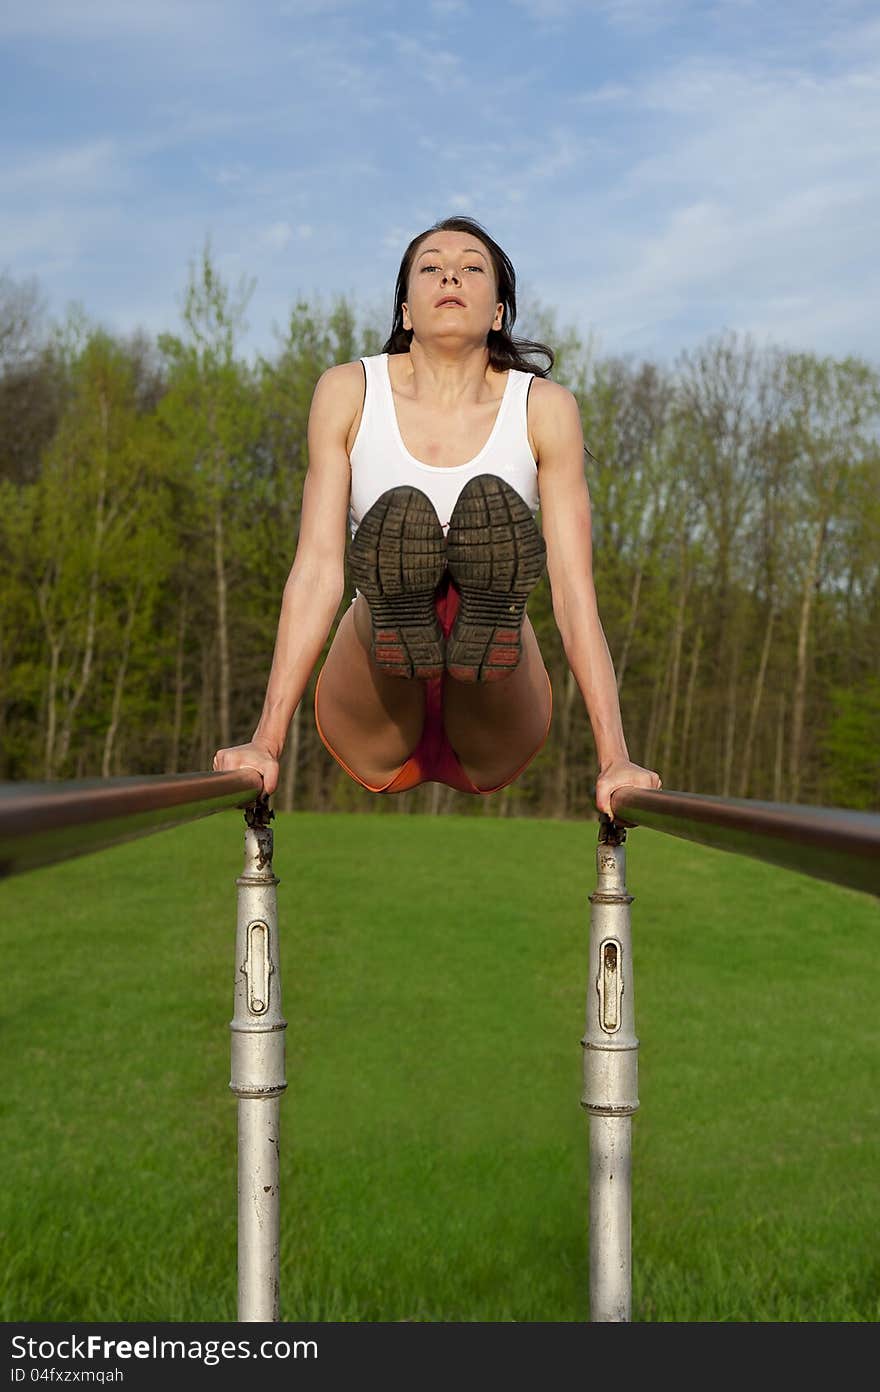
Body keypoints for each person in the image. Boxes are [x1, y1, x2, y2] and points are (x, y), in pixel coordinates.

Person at [212, 215, 661, 814]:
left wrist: (617, 759)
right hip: (377, 707)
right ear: (405, 310)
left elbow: (575, 592)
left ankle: (473, 610)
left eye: (473, 266)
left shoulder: (542, 408)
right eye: (430, 266)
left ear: (499, 311)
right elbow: (317, 569)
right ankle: (405, 606)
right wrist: (263, 741)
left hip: (493, 715)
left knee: (481, 611)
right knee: (389, 591)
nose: (451, 272)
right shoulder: (348, 391)